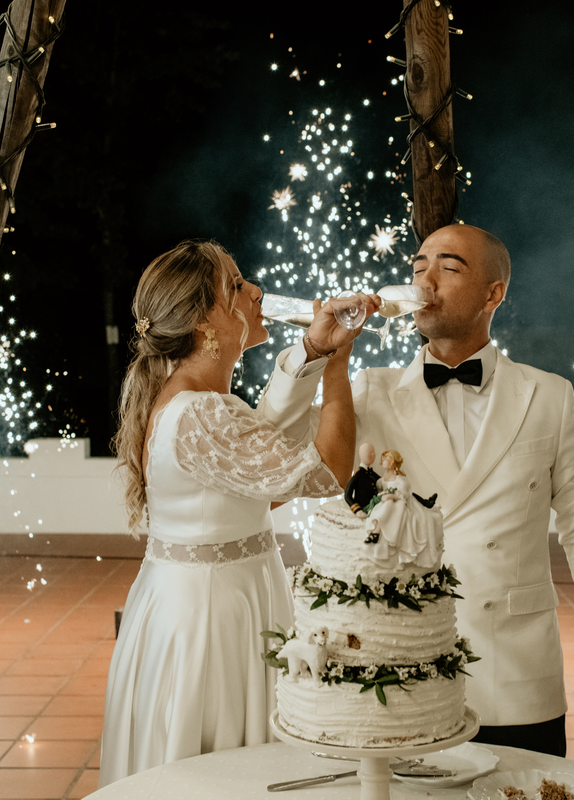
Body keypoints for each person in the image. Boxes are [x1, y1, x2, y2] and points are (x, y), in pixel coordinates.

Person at [258, 223, 574, 757]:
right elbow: (279, 439)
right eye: (416, 267)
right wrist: (316, 350)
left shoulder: (548, 395)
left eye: (449, 268)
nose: (425, 279)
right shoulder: (371, 390)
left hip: (515, 670)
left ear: (492, 294)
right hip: (397, 675)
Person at [98, 240, 377, 785]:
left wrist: (312, 351)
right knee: (218, 773)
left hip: (213, 599)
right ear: (207, 322)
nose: (256, 292)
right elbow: (328, 473)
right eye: (238, 286)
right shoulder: (201, 413)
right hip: (212, 618)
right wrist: (338, 367)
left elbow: (258, 461)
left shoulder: (198, 401)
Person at [364, 449, 444, 571]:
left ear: (393, 462)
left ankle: (386, 536)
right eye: (383, 458)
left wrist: (391, 496)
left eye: (387, 458)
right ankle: (377, 533)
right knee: (384, 507)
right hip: (385, 502)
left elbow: (404, 494)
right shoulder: (380, 481)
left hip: (401, 503)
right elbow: (379, 492)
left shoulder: (400, 479)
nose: (384, 461)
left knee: (394, 507)